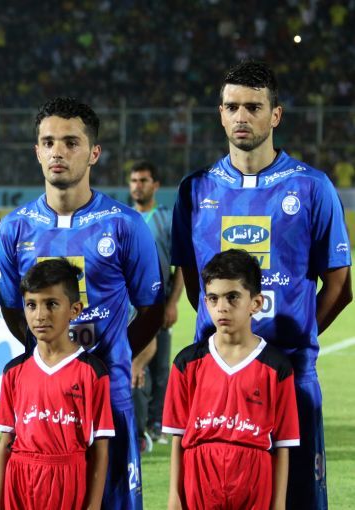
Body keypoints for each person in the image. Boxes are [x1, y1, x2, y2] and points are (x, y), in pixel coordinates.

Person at [171, 60, 352, 509]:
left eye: (253, 107)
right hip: (213, 377)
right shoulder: (194, 190)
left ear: (275, 115)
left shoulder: (312, 187)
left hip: (290, 374)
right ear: (220, 114)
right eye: (232, 106)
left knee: (298, 499)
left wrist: (296, 338)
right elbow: (194, 284)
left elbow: (339, 285)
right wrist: (232, 337)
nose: (241, 116)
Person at [0, 97, 164, 510]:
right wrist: (47, 355)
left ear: (94, 153)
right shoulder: (15, 228)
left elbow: (152, 309)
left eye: (71, 142)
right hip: (43, 403)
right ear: (37, 151)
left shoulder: (124, 224)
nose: (58, 151)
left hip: (110, 396)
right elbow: (12, 307)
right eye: (48, 142)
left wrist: (107, 361)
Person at [163, 249, 300, 510]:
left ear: (256, 303)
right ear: (205, 302)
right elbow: (178, 438)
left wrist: (279, 504)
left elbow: (283, 445)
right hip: (199, 480)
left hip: (254, 481)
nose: (222, 307)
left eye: (232, 297)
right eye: (213, 298)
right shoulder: (186, 363)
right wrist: (174, 498)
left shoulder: (276, 367)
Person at [0, 258, 114, 510]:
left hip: (68, 481)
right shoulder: (13, 372)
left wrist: (93, 506)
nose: (40, 315)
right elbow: (5, 444)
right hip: (19, 481)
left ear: (75, 309)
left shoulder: (93, 372)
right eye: (31, 305)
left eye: (51, 304)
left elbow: (100, 450)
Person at [128, 161, 184, 449]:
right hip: (130, 308)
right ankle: (138, 426)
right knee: (135, 365)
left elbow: (181, 266)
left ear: (156, 185)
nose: (138, 186)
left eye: (144, 180)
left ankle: (157, 424)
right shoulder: (124, 219)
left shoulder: (167, 219)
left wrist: (172, 303)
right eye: (134, 180)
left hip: (160, 304)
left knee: (160, 368)